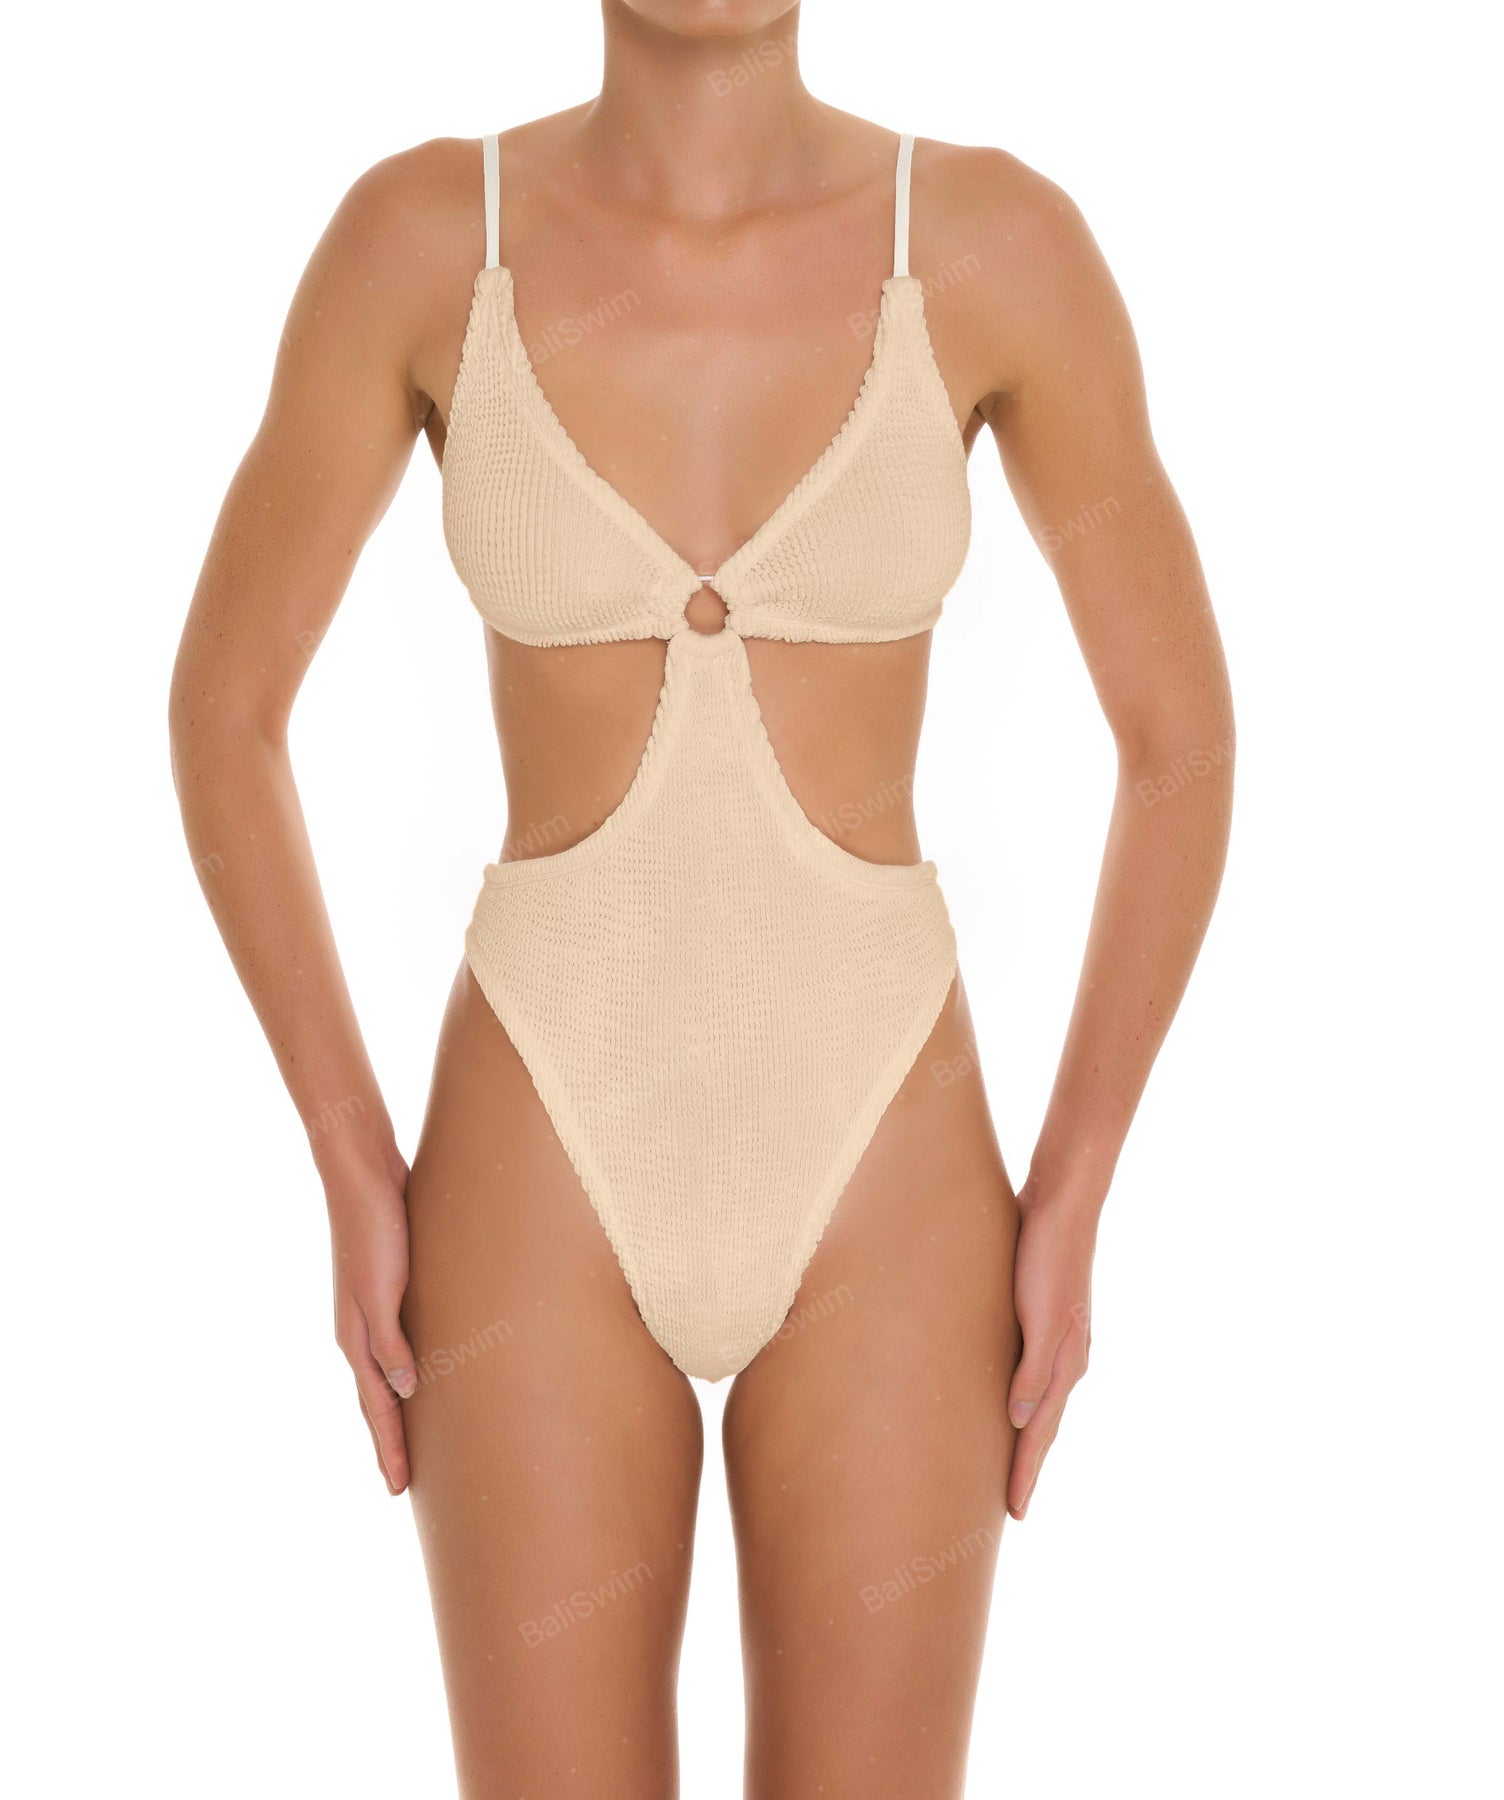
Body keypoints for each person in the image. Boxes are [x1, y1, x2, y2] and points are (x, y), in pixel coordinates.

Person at [169, 3, 1233, 1792]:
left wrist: (1078, 1182)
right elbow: (226, 711)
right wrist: (350, 1159)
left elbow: (1179, 743)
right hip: (540, 1155)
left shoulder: (992, 245)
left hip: (886, 1160)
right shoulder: (424, 241)